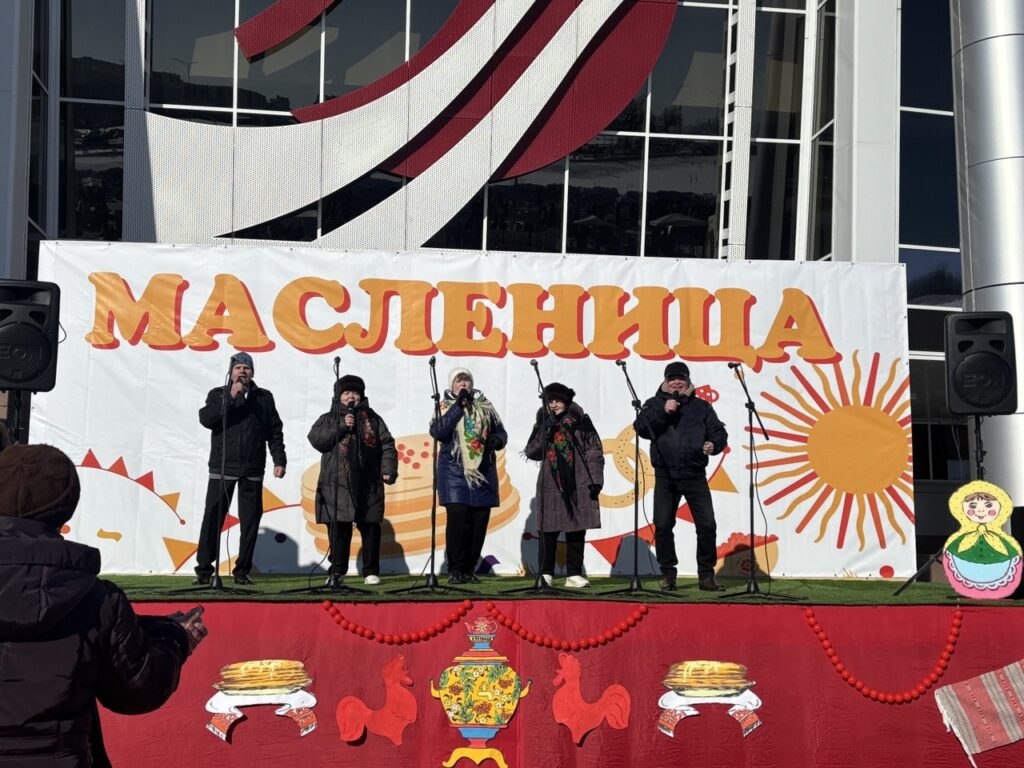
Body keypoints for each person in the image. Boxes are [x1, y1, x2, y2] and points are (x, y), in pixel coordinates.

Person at [0, 444, 206, 768]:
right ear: (66, 505)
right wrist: (175, 640)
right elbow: (137, 689)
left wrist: (163, 633)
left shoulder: (98, 600)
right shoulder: (96, 598)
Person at [635, 361, 728, 591]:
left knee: (707, 525)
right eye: (672, 378)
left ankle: (706, 575)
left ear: (688, 381)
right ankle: (668, 574)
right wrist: (664, 412)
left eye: (681, 378)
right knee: (663, 524)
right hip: (665, 475)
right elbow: (642, 428)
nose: (676, 382)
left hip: (695, 474)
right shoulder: (654, 403)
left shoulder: (702, 407)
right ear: (665, 382)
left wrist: (714, 444)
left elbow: (719, 432)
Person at [195, 352, 286, 585]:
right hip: (222, 467)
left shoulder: (264, 398)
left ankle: (242, 571)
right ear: (231, 372)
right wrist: (230, 397)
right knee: (213, 519)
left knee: (250, 522)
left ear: (252, 373)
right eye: (238, 368)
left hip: (252, 469)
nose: (242, 371)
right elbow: (206, 419)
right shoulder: (218, 394)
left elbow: (274, 430)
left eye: (246, 368)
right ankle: (204, 571)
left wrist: (279, 460)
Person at [308, 374, 398, 586]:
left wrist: (388, 469)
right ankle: (337, 571)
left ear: (361, 396)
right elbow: (317, 440)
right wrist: (342, 425)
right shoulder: (328, 418)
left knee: (370, 526)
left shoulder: (372, 419)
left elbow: (387, 444)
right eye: (346, 393)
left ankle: (371, 571)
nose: (351, 397)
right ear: (338, 396)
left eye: (355, 393)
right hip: (337, 482)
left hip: (368, 481)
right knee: (339, 528)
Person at [430, 367, 508, 584]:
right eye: (459, 381)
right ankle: (455, 569)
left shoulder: (485, 405)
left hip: (482, 472)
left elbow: (501, 431)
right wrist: (458, 406)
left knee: (478, 523)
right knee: (458, 520)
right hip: (454, 472)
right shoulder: (444, 406)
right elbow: (439, 432)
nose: (463, 384)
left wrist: (498, 440)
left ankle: (468, 570)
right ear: (452, 385)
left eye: (466, 381)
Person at [524, 383, 604, 588]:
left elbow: (594, 451)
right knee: (548, 530)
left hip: (578, 482)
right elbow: (532, 452)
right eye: (550, 401)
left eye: (557, 401)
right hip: (550, 483)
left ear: (566, 402)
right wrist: (546, 431)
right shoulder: (543, 422)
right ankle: (546, 573)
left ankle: (574, 574)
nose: (553, 405)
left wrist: (595, 480)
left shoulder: (581, 421)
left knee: (577, 528)